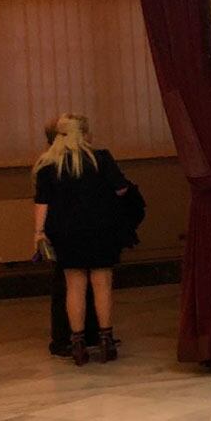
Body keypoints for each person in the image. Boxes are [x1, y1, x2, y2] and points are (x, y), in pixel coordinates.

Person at [34, 113, 131, 366]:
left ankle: (76, 343)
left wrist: (38, 233)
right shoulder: (101, 158)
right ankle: (106, 340)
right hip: (101, 228)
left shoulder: (48, 164)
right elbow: (121, 188)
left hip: (65, 232)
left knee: (74, 287)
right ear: (85, 134)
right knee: (102, 284)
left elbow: (42, 202)